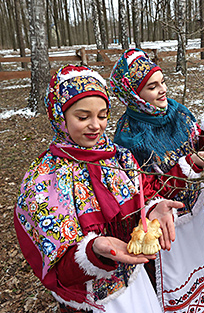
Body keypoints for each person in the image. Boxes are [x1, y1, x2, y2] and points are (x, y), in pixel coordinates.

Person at [14, 65, 183, 312]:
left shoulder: (119, 158)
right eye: (83, 117)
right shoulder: (44, 180)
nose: (96, 125)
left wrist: (153, 208)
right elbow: (60, 267)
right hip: (89, 301)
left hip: (135, 285)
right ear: (59, 117)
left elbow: (143, 193)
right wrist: (93, 251)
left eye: (102, 116)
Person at [110, 49, 204, 312]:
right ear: (133, 94)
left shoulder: (177, 112)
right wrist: (187, 166)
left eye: (162, 82)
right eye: (152, 86)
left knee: (197, 270)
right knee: (174, 281)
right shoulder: (129, 136)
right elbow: (141, 190)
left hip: (193, 213)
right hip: (164, 225)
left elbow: (195, 147)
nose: (162, 90)